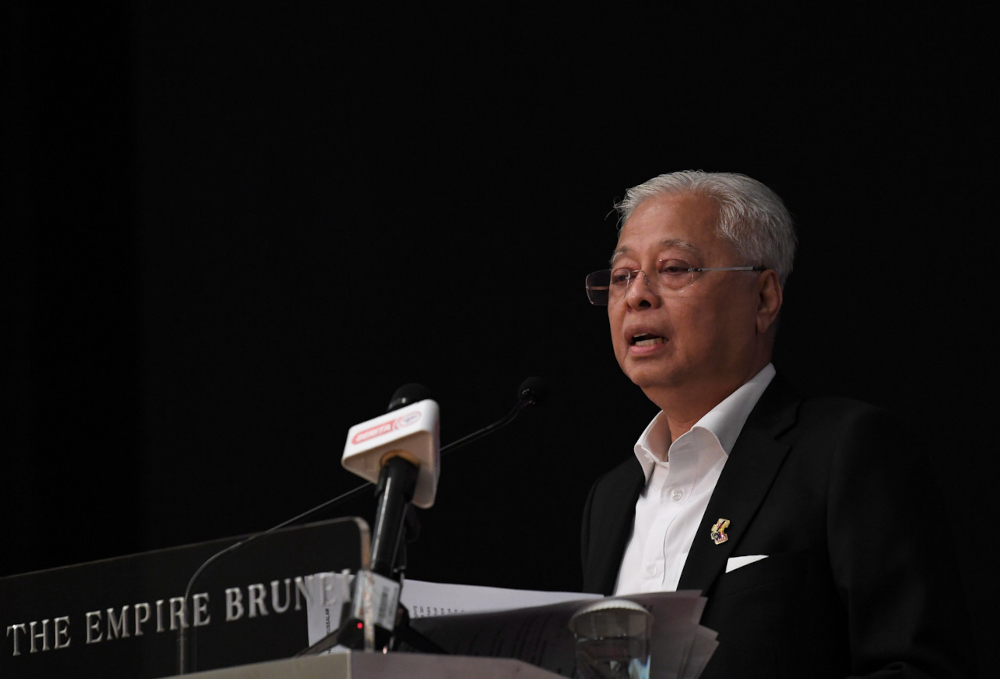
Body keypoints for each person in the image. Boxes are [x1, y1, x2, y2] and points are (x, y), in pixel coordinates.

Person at [580, 171, 972, 678]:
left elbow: (921, 668)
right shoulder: (608, 501)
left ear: (763, 297)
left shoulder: (844, 451)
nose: (637, 296)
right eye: (621, 276)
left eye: (673, 268)